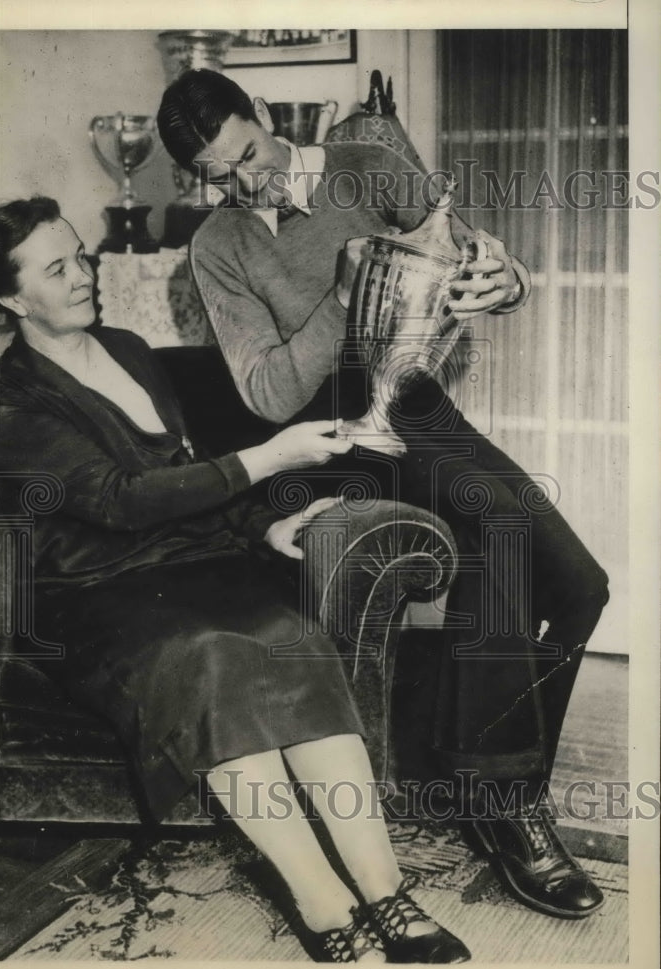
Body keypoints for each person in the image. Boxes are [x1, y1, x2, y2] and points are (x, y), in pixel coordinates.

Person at [0, 195, 475, 964]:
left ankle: (384, 889)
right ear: (10, 298)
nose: (83, 273)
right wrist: (270, 458)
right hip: (94, 598)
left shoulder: (130, 349)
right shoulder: (2, 398)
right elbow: (117, 501)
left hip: (193, 567)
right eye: (57, 267)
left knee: (295, 641)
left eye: (82, 255)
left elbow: (183, 477)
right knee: (212, 655)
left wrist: (259, 525)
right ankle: (318, 898)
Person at [156, 69, 610, 920]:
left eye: (247, 155)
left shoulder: (365, 163)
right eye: (219, 175)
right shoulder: (217, 245)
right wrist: (339, 296)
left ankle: (483, 776)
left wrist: (504, 280)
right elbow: (267, 396)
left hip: (417, 410)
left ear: (263, 116)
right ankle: (506, 804)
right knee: (499, 529)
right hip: (329, 443)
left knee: (583, 587)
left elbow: (467, 257)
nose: (244, 182)